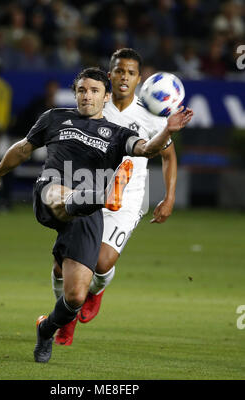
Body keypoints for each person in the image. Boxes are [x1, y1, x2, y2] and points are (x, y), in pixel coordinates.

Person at [0, 67, 193, 363]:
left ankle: (46, 329)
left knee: (75, 298)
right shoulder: (55, 118)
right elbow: (22, 149)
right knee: (60, 195)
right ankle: (92, 197)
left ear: (106, 96)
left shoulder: (119, 134)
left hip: (87, 213)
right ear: (76, 93)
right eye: (82, 90)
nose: (87, 96)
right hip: (52, 192)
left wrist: (167, 131)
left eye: (94, 91)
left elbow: (146, 149)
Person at [53, 48, 179, 346]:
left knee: (101, 262)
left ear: (139, 79)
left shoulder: (152, 115)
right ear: (110, 76)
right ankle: (64, 321)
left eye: (131, 72)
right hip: (86, 193)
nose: (124, 77)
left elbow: (169, 156)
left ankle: (95, 291)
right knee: (62, 266)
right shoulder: (95, 106)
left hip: (127, 199)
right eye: (119, 71)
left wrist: (169, 198)